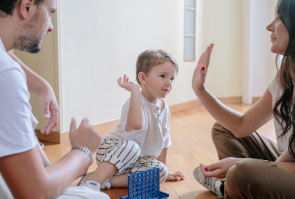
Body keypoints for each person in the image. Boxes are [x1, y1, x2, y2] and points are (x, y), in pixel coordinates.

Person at [0, 0, 109, 198]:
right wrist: (82, 151)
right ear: (27, 7)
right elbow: (35, 193)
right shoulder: (6, 74)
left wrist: (42, 86)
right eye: (50, 13)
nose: (50, 26)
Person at [191, 0, 295, 198]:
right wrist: (200, 90)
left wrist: (241, 165)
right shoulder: (285, 76)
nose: (269, 26)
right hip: (287, 162)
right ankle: (236, 185)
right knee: (223, 128)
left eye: (279, 18)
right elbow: (241, 126)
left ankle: (231, 185)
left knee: (243, 172)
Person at [78, 49, 185, 190]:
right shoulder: (134, 101)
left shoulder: (165, 109)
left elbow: (165, 141)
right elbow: (137, 124)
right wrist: (135, 91)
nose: (169, 83)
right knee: (132, 147)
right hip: (114, 152)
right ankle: (96, 180)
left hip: (137, 162)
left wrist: (164, 170)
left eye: (171, 78)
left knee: (160, 173)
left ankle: (105, 181)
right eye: (163, 76)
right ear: (143, 78)